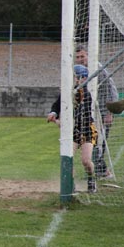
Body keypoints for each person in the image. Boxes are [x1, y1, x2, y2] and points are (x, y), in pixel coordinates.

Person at [47, 65, 98, 193]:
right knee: (68, 159)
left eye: (74, 76)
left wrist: (59, 122)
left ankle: (91, 179)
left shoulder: (85, 93)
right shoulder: (66, 92)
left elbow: (75, 116)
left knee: (86, 161)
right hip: (73, 131)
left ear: (81, 78)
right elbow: (57, 105)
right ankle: (71, 184)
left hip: (86, 129)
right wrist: (53, 113)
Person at [75, 46, 117, 178]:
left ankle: (103, 171)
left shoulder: (98, 68)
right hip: (89, 112)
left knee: (99, 142)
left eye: (82, 56)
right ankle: (98, 170)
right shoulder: (77, 71)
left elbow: (111, 88)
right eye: (78, 57)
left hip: (102, 110)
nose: (80, 59)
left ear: (88, 55)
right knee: (91, 141)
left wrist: (110, 112)